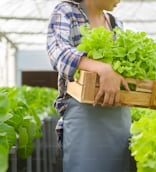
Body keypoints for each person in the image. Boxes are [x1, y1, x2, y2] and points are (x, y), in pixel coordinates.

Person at [46, 0, 136, 171]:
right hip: (84, 116)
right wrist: (102, 68)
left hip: (118, 115)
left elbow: (128, 66)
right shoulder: (67, 11)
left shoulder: (116, 24)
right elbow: (57, 51)